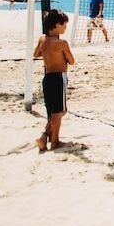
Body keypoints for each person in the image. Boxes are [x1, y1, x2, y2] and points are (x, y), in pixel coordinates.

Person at [32, 9, 76, 153]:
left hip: (48, 77)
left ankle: (46, 137)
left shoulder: (42, 40)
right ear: (57, 25)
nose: (65, 27)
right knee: (60, 112)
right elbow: (72, 60)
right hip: (59, 77)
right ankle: (53, 141)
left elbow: (36, 53)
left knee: (53, 112)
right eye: (64, 25)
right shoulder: (62, 43)